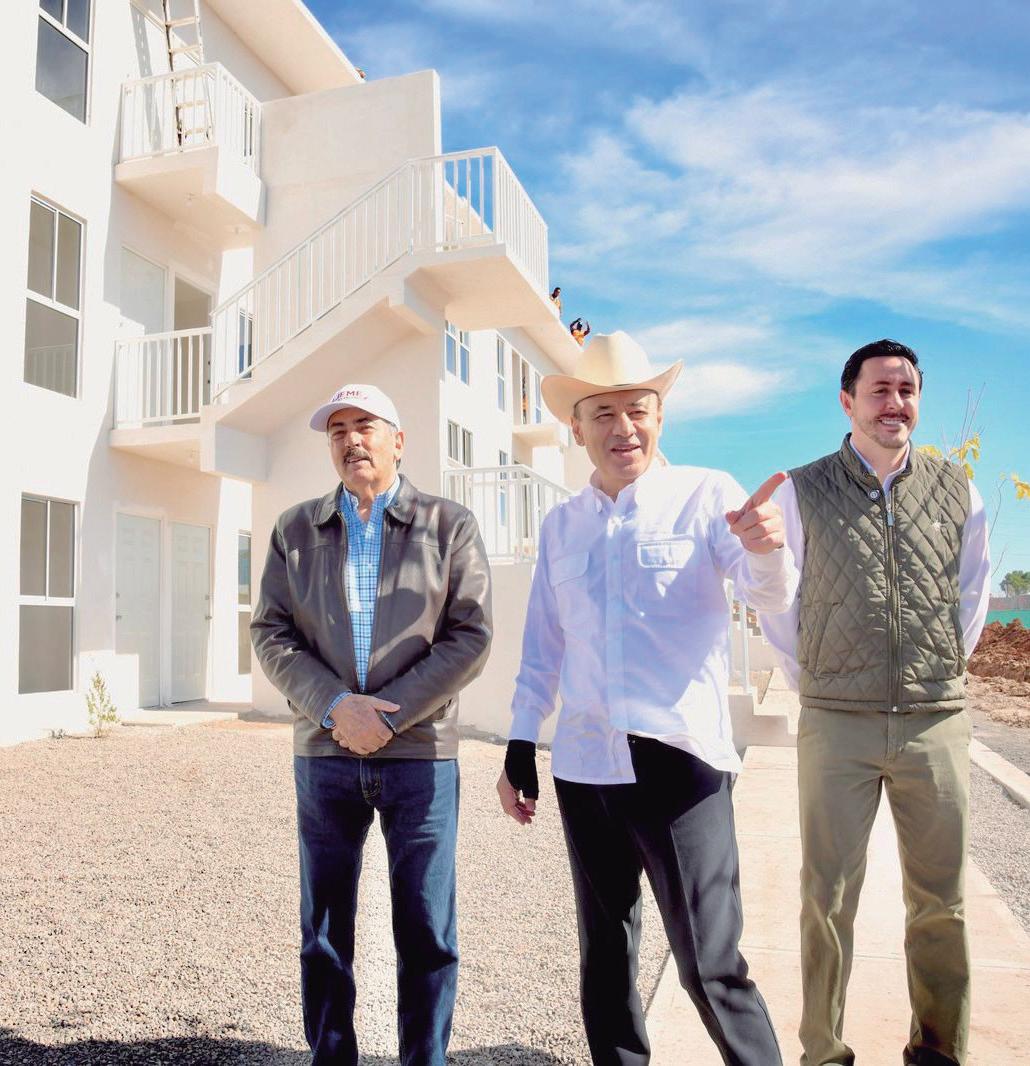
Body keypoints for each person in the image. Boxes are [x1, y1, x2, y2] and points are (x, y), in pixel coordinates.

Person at [498, 331, 797, 1065]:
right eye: (603, 412)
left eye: (638, 408)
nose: (623, 427)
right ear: (577, 428)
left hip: (681, 762)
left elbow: (768, 596)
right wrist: (519, 743)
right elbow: (543, 645)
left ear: (660, 417)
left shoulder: (708, 495)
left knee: (709, 964)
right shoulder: (562, 525)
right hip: (584, 766)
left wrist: (767, 550)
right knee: (605, 955)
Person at [758, 339, 991, 1066]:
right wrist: (819, 682)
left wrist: (934, 674)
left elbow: (972, 598)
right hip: (837, 723)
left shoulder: (959, 490)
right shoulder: (802, 490)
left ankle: (938, 1051)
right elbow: (780, 603)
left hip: (934, 721)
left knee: (941, 903)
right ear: (847, 401)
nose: (895, 403)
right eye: (880, 390)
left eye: (907, 390)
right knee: (826, 899)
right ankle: (824, 1052)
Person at [251, 383, 492, 1066]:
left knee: (427, 928)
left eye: (365, 425)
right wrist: (335, 708)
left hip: (420, 756)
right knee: (324, 930)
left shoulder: (449, 524)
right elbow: (271, 632)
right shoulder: (294, 529)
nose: (351, 440)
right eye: (338, 431)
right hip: (324, 755)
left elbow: (470, 635)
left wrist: (387, 717)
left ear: (398, 441)